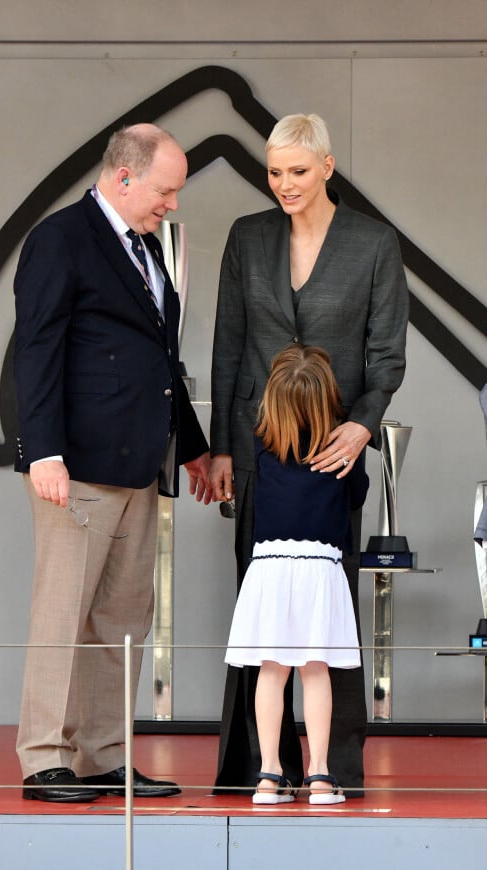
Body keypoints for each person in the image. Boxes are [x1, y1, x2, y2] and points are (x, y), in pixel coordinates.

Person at [210, 113, 409, 795]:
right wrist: (223, 453)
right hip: (261, 453)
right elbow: (228, 346)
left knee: (332, 614)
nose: (284, 184)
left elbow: (386, 356)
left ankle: (332, 768)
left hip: (335, 456)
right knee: (259, 613)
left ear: (327, 166)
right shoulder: (246, 237)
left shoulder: (374, 242)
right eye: (274, 172)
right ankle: (259, 768)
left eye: (298, 171)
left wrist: (362, 428)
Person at [13, 123, 210, 802]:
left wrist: (197, 448)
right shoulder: (60, 238)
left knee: (123, 619)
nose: (173, 205)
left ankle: (102, 755)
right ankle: (45, 758)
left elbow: (161, 361)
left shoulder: (149, 249)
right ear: (124, 176)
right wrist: (41, 450)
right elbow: (34, 351)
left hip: (139, 467)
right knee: (62, 613)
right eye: (166, 190)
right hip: (77, 467)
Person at [225, 344, 369, 804]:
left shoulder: (264, 442)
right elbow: (358, 495)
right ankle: (321, 776)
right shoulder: (343, 447)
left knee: (272, 671)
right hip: (319, 570)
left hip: (269, 568)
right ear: (328, 395)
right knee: (316, 671)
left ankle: (269, 776)